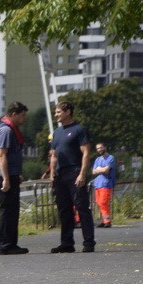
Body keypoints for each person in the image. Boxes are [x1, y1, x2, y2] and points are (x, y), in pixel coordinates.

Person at [48, 100, 96, 253]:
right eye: (55, 112)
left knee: (81, 206)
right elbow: (54, 155)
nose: (56, 115)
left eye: (58, 112)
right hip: (61, 174)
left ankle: (89, 242)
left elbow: (86, 153)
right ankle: (67, 243)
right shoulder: (56, 132)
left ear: (68, 112)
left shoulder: (79, 130)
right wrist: (52, 173)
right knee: (64, 209)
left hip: (75, 171)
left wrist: (82, 173)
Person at [0, 101, 29, 255]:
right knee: (8, 211)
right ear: (14, 114)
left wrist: (15, 174)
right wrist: (7, 178)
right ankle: (6, 245)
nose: (24, 119)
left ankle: (9, 243)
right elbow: (1, 155)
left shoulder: (3, 127)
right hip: (4, 176)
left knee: (11, 210)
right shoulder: (7, 130)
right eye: (22, 115)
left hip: (9, 174)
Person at [91, 142, 116, 228]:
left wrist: (99, 169)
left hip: (106, 183)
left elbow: (107, 170)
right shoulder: (97, 159)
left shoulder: (110, 158)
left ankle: (107, 221)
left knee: (103, 202)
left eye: (101, 147)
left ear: (105, 147)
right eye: (97, 148)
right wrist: (101, 169)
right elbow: (93, 171)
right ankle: (103, 220)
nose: (99, 150)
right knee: (98, 202)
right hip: (97, 184)